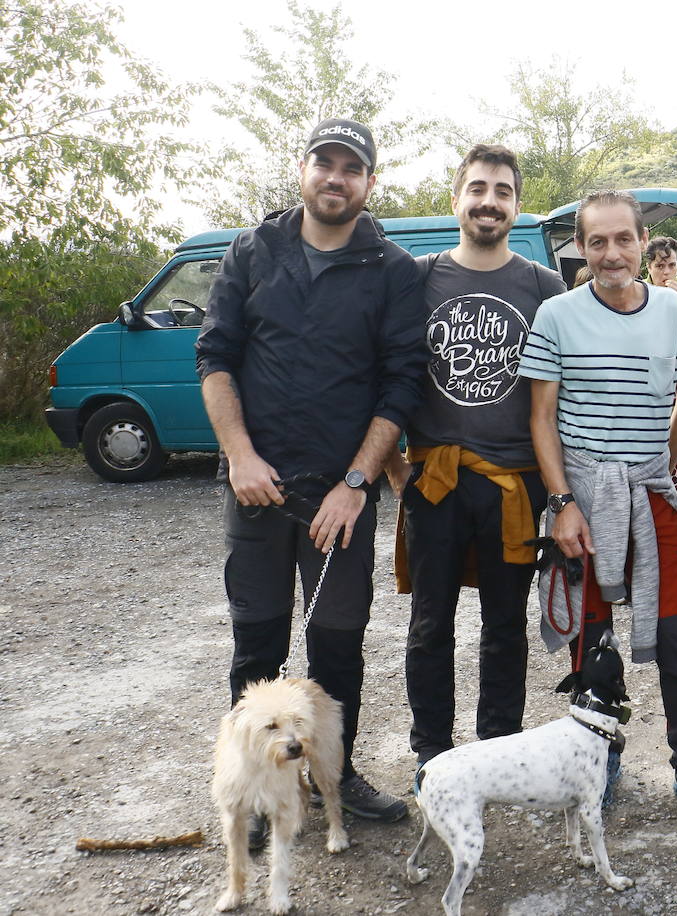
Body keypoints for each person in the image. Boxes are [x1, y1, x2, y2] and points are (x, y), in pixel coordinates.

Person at [196, 118, 425, 840]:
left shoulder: (391, 269)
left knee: (336, 648)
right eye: (323, 163)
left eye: (350, 168)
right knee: (256, 647)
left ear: (368, 183)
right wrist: (238, 454)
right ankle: (260, 790)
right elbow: (215, 357)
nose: (335, 177)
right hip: (257, 493)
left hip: (338, 501)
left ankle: (337, 777)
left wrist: (357, 482)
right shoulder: (252, 251)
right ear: (302, 170)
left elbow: (400, 384)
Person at [518, 190, 677, 825]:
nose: (611, 253)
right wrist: (561, 502)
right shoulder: (557, 315)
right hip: (584, 495)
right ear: (581, 249)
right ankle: (601, 763)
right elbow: (542, 418)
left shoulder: (673, 311)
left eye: (623, 239)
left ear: (644, 242)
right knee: (594, 642)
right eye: (597, 242)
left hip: (653, 496)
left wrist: (663, 465)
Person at [386, 144, 567, 772]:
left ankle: (495, 749)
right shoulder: (418, 276)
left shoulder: (545, 286)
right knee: (430, 621)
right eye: (479, 188)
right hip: (434, 478)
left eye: (503, 191)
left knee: (504, 624)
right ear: (458, 197)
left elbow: (557, 396)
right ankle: (431, 752)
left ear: (516, 205)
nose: (490, 201)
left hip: (516, 485)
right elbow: (389, 374)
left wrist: (560, 490)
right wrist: (393, 470)